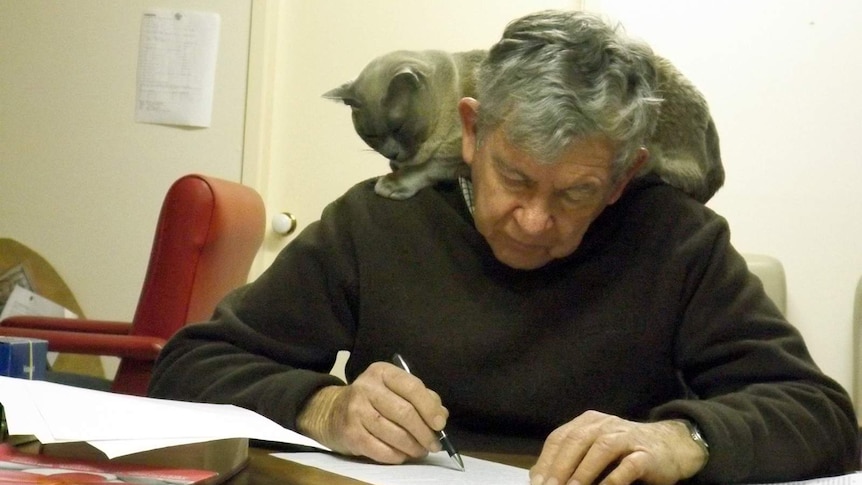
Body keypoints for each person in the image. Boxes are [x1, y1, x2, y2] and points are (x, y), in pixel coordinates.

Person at [148, 10, 858, 484]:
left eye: (575, 192)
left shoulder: (676, 242)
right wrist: (322, 405)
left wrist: (683, 439)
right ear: (470, 131)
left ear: (624, 177)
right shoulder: (379, 222)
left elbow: (824, 417)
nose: (532, 219)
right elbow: (190, 364)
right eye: (512, 176)